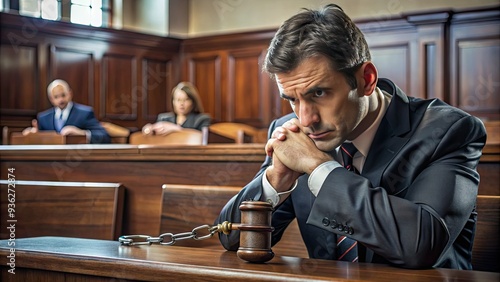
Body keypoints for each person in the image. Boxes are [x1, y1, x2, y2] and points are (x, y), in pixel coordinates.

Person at [216, 4, 486, 270]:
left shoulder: (450, 130)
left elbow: (420, 247)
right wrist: (277, 179)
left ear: (366, 80)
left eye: (319, 93)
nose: (306, 119)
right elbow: (232, 237)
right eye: (292, 100)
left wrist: (318, 167)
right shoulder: (292, 131)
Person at [22, 79, 110, 144]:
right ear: (51, 99)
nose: (61, 100)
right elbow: (41, 140)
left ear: (70, 94)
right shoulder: (43, 118)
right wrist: (34, 134)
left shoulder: (85, 113)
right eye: (56, 97)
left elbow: (104, 136)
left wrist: (81, 133)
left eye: (63, 95)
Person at [141, 81, 210, 135]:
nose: (181, 104)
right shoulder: (163, 118)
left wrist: (175, 128)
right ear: (173, 101)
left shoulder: (202, 119)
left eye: (186, 99)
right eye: (178, 100)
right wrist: (149, 129)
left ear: (193, 101)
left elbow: (202, 138)